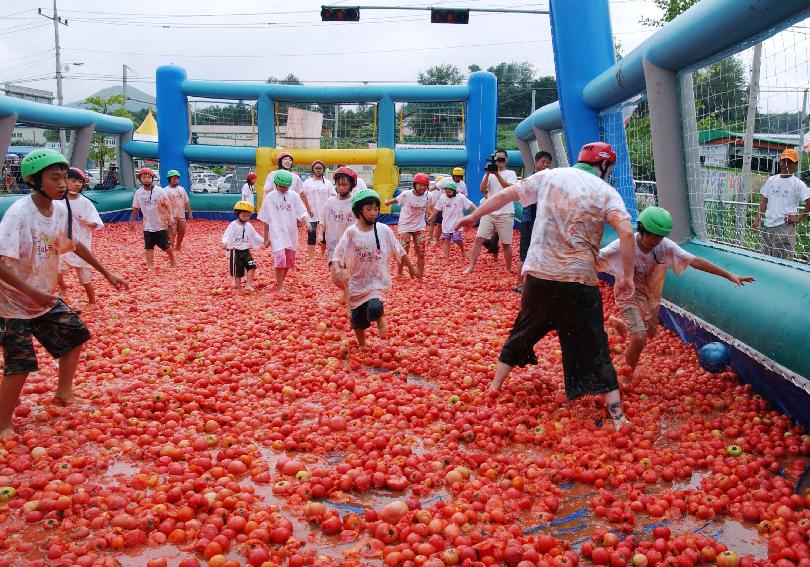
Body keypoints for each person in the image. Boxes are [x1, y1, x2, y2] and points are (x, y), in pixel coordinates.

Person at [457, 142, 636, 431]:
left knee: (524, 329)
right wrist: (625, 278)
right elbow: (627, 233)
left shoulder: (549, 176)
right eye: (610, 168)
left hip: (540, 276)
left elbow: (506, 195)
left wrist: (474, 216)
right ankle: (617, 417)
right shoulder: (606, 192)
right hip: (579, 281)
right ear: (602, 165)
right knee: (594, 343)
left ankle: (494, 387)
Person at [0, 149, 127, 438]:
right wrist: (33, 292)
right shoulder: (19, 214)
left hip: (42, 298)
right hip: (12, 304)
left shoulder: (58, 210)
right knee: (19, 364)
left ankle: (63, 394)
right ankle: (3, 424)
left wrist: (107, 273)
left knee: (75, 335)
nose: (61, 184)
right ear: (34, 180)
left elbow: (72, 244)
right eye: (54, 178)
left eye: (63, 177)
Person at [599, 206, 754, 377]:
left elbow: (694, 261)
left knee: (650, 332)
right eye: (654, 237)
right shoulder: (622, 245)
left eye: (661, 237)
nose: (658, 241)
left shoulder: (664, 246)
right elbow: (596, 258)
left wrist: (728, 275)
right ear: (642, 230)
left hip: (648, 294)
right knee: (639, 338)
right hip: (626, 294)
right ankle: (625, 377)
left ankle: (621, 324)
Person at [331, 189, 419, 347]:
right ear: (359, 211)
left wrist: (411, 267)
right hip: (356, 282)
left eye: (376, 209)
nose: (373, 213)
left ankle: (380, 318)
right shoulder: (351, 232)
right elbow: (338, 253)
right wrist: (338, 268)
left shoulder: (383, 229)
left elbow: (398, 249)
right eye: (369, 209)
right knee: (358, 321)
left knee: (374, 306)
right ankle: (362, 345)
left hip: (376, 279)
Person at [257, 169, 311, 293]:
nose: (284, 189)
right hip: (277, 232)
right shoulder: (270, 197)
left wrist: (307, 222)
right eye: (282, 186)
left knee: (288, 260)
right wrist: (266, 237)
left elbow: (301, 211)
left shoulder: (294, 195)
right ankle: (280, 285)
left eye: (287, 186)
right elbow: (266, 218)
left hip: (291, 232)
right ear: (276, 184)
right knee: (280, 258)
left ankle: (280, 279)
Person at [466, 149, 519, 274]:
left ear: (506, 159)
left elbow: (509, 187)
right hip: (489, 212)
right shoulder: (488, 174)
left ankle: (507, 269)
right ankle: (471, 266)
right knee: (479, 239)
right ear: (494, 160)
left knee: (506, 243)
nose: (499, 162)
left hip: (506, 213)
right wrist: (488, 173)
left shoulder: (511, 173)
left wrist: (497, 174)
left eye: (501, 159)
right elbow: (482, 189)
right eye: (497, 159)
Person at [752, 148, 810, 260]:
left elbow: (809, 201)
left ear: (795, 164)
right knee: (766, 259)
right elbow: (764, 201)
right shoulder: (771, 180)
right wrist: (757, 220)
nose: (786, 164)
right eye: (784, 161)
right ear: (780, 162)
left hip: (784, 227)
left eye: (789, 162)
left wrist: (798, 217)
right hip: (768, 225)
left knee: (783, 261)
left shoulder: (798, 184)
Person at [57, 167, 103, 306]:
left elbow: (97, 222)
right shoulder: (58, 200)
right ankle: (63, 286)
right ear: (64, 181)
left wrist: (89, 223)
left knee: (85, 279)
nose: (77, 184)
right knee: (56, 272)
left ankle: (92, 302)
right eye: (73, 180)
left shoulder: (85, 202)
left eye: (80, 181)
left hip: (81, 246)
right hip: (63, 246)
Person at [515, 151, 552, 292]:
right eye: (542, 162)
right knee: (526, 252)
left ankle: (537, 283)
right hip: (529, 221)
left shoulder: (551, 181)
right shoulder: (530, 179)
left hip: (543, 222)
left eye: (548, 162)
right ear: (536, 163)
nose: (545, 165)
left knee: (542, 252)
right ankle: (520, 282)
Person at [129, 167, 176, 271]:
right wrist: (132, 221)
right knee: (148, 246)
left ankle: (173, 258)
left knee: (164, 246)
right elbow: (136, 208)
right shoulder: (138, 193)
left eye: (148, 177)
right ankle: (150, 266)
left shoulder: (159, 191)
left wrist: (171, 217)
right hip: (147, 226)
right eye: (143, 177)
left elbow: (167, 205)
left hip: (161, 224)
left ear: (152, 178)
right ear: (140, 179)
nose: (146, 179)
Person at [384, 172, 430, 277]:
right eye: (420, 185)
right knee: (403, 250)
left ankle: (419, 276)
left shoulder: (428, 196)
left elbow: (430, 206)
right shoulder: (406, 194)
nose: (423, 187)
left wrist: (431, 215)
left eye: (425, 185)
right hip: (405, 226)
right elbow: (396, 199)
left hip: (419, 226)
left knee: (421, 252)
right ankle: (400, 273)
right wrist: (387, 203)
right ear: (415, 184)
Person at [222, 200, 264, 292]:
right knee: (238, 272)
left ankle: (248, 285)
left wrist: (264, 241)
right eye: (244, 215)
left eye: (248, 216)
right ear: (237, 213)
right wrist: (225, 243)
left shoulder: (249, 225)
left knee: (252, 266)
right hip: (235, 251)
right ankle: (239, 288)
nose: (246, 218)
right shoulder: (233, 225)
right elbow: (227, 235)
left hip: (246, 251)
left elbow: (255, 236)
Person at [429, 181, 476, 261]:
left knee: (457, 239)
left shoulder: (460, 197)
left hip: (457, 223)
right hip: (446, 223)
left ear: (454, 191)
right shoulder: (443, 197)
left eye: (449, 192)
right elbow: (437, 208)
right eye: (446, 191)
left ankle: (463, 250)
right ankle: (446, 257)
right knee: (446, 240)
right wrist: (431, 217)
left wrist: (478, 212)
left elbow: (470, 205)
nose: (447, 193)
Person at [300, 160, 336, 260]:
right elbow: (302, 196)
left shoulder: (328, 183)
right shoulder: (307, 183)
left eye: (320, 168)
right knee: (311, 234)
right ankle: (311, 257)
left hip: (325, 214)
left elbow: (333, 197)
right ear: (313, 169)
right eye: (316, 168)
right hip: (311, 213)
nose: (318, 170)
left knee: (324, 236)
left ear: (323, 169)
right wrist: (307, 210)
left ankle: (322, 255)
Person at [164, 170, 193, 252]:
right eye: (174, 179)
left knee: (182, 231)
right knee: (172, 233)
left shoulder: (182, 189)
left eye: (177, 179)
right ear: (169, 179)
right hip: (171, 216)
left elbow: (186, 202)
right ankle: (171, 249)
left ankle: (178, 246)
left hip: (181, 215)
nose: (176, 180)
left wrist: (190, 213)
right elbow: (163, 205)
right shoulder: (165, 190)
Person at [426, 178, 444, 245]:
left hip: (438, 209)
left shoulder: (443, 190)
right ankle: (433, 238)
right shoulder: (433, 191)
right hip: (436, 208)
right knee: (436, 224)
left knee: (435, 224)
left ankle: (434, 238)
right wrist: (430, 211)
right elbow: (430, 202)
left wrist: (430, 211)